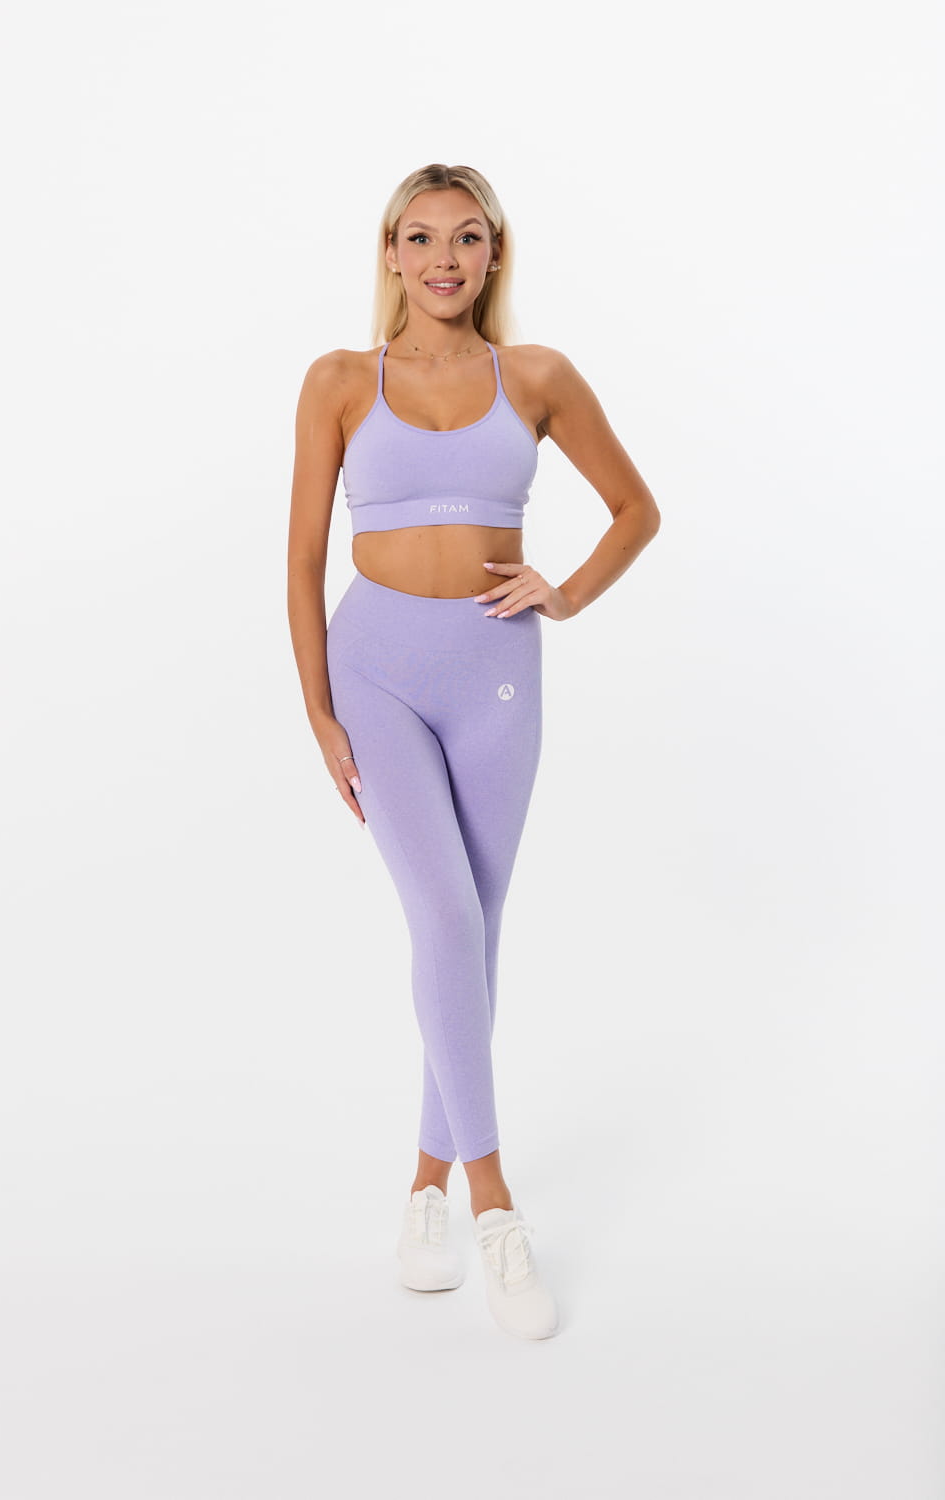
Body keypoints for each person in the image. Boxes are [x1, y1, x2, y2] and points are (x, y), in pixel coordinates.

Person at [287, 163, 660, 1340]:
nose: (441, 259)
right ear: (389, 253)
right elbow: (302, 557)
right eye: (419, 237)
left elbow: (637, 510)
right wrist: (319, 712)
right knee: (445, 920)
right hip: (377, 673)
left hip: (498, 675)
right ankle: (494, 1208)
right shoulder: (338, 381)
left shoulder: (535, 376)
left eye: (464, 237)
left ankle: (422, 1188)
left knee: (474, 932)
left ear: (493, 253)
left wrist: (568, 593)